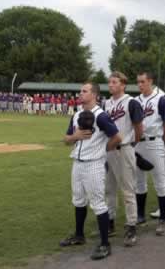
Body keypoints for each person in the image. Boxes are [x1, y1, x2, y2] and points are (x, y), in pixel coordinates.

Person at [60, 81, 121, 261]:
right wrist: (75, 136)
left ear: (94, 94)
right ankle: (79, 235)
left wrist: (103, 150)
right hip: (77, 163)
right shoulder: (77, 114)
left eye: (84, 91)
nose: (80, 93)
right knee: (78, 199)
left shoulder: (100, 116)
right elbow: (66, 139)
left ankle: (105, 244)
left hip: (94, 164)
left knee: (98, 203)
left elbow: (117, 137)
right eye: (80, 91)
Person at [105, 71, 144, 247]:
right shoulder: (107, 103)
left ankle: (131, 226)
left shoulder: (131, 102)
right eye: (110, 82)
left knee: (128, 190)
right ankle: (110, 222)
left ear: (123, 85)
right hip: (109, 150)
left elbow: (138, 127)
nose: (111, 85)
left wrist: (132, 144)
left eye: (114, 82)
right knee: (109, 189)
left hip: (124, 149)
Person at [134, 72, 165, 236]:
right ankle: (140, 215)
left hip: (155, 140)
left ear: (150, 81)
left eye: (142, 82)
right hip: (138, 142)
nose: (140, 85)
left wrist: (162, 142)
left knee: (160, 181)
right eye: (138, 82)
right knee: (139, 181)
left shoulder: (161, 99)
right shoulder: (135, 101)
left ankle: (163, 219)